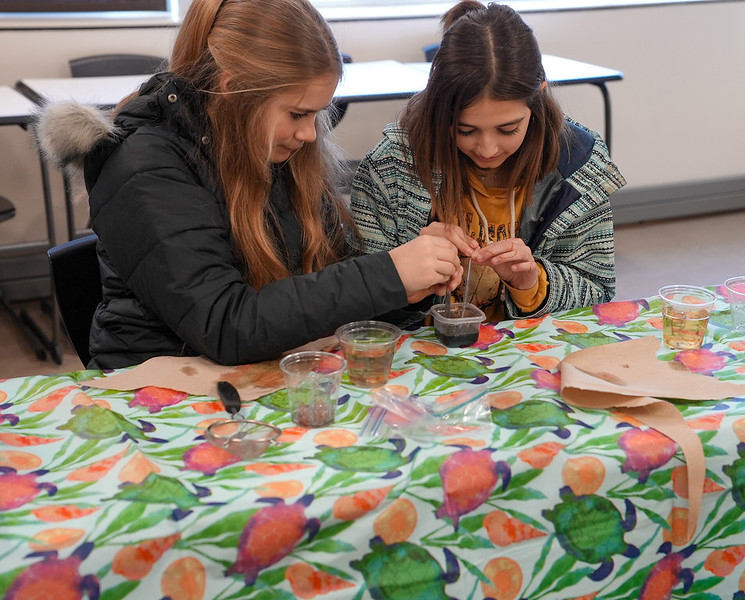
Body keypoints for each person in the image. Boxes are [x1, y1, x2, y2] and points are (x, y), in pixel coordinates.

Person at [35, 0, 462, 370]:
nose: (311, 134)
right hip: (155, 394)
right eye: (297, 114)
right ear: (234, 90)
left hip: (257, 373)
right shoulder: (143, 167)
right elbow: (226, 325)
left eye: (317, 114)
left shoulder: (275, 149)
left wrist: (414, 280)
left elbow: (328, 285)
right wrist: (388, 274)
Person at [349, 0, 627, 325]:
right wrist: (405, 274)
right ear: (439, 107)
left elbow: (598, 292)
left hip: (526, 357)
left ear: (538, 96)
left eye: (508, 129)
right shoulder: (392, 166)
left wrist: (533, 282)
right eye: (465, 130)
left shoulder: (577, 166)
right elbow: (357, 300)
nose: (487, 149)